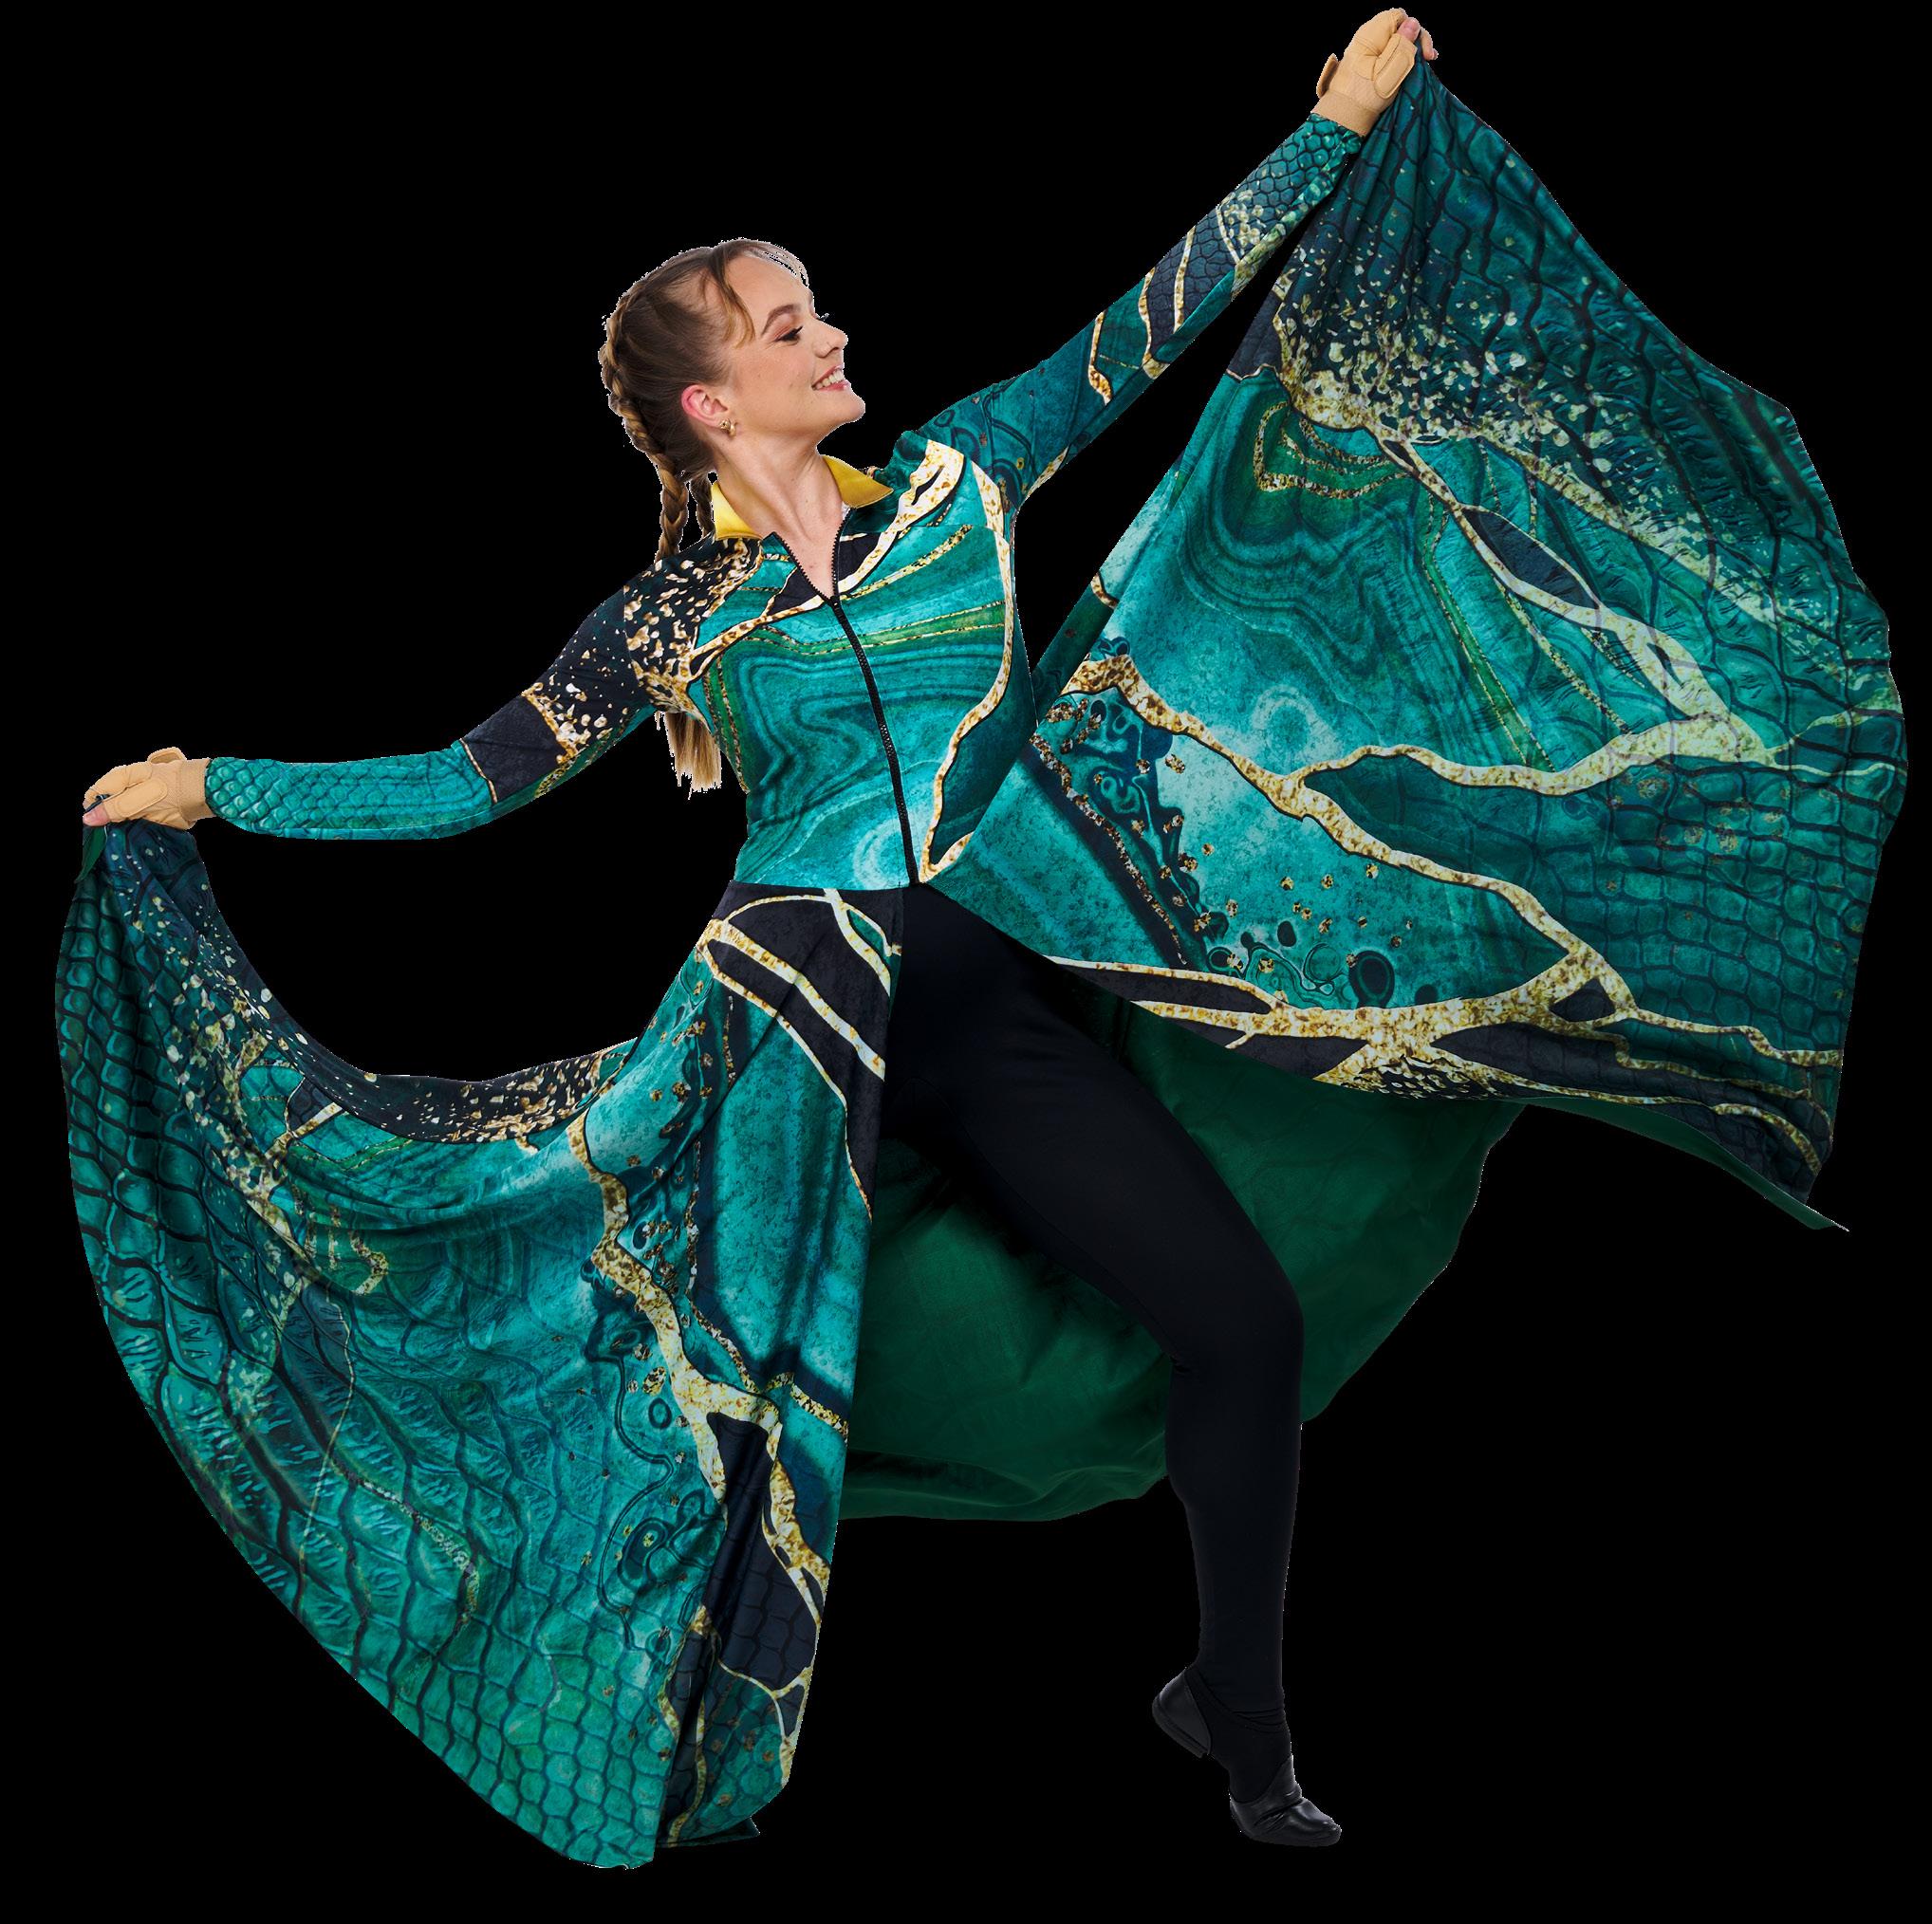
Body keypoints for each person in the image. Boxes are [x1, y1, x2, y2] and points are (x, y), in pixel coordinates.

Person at [71, 6, 1894, 1866]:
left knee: (1240, 1327)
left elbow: (1147, 324)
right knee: (692, 1402)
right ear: (712, 405)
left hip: (987, 1005)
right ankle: (628, 1700)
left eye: (814, 309)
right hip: (780, 1029)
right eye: (786, 326)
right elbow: (467, 782)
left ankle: (1236, 1706)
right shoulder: (666, 623)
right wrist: (216, 786)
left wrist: (1335, 132)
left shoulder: (956, 482)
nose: (829, 335)